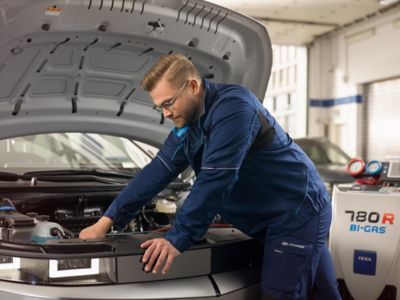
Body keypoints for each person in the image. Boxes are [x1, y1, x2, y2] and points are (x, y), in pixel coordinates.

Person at [79, 53, 341, 299]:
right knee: (324, 293)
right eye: (160, 107)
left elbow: (217, 178)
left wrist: (178, 237)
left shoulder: (235, 108)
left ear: (192, 86)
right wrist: (108, 220)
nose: (166, 113)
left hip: (296, 212)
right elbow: (156, 171)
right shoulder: (188, 126)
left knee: (279, 293)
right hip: (264, 216)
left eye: (168, 103)